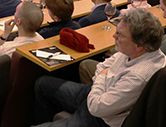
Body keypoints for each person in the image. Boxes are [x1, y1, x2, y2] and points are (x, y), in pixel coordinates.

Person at [34, 8, 166, 127]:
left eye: (120, 34)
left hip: (101, 118)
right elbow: (103, 66)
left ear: (139, 46)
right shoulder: (136, 50)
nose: (114, 36)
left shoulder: (140, 76)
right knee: (42, 84)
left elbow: (97, 108)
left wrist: (103, 76)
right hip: (98, 94)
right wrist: (102, 78)